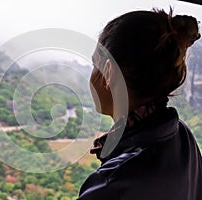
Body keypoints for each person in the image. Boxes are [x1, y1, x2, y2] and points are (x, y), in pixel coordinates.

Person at [78, 8, 202, 200]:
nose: (92, 74)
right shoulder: (183, 137)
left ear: (109, 73)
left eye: (95, 64)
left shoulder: (111, 185)